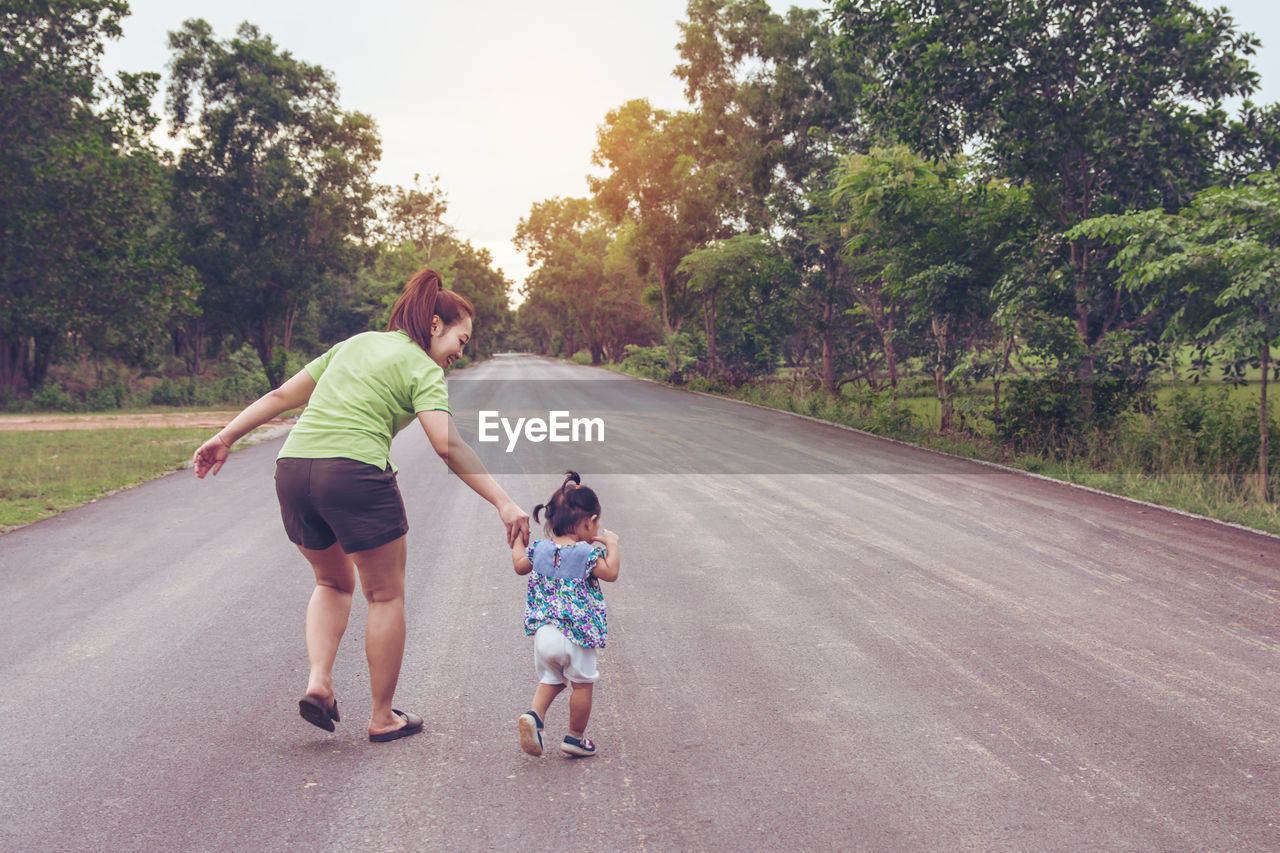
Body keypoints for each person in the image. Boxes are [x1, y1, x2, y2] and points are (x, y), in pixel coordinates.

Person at [193, 267, 530, 743]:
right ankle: (382, 716)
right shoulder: (423, 369)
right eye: (462, 338)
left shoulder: (355, 344)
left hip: (293, 471)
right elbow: (446, 445)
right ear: (435, 325)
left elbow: (282, 396)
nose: (460, 352)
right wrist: (503, 502)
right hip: (353, 474)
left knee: (332, 581)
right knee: (385, 595)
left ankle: (319, 682)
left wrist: (226, 436)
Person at [512, 471, 620, 758]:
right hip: (577, 636)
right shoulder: (586, 554)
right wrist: (612, 545)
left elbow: (520, 565)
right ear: (590, 522)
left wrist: (517, 542)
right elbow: (611, 573)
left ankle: (534, 716)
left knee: (551, 680)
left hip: (545, 635)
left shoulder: (540, 549)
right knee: (582, 685)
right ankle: (575, 738)